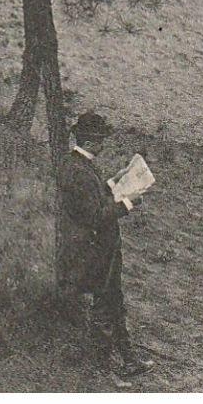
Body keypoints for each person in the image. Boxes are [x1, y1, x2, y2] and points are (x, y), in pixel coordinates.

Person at [58, 111, 153, 378]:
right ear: (89, 143)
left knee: (114, 302)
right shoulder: (80, 172)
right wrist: (128, 202)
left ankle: (129, 359)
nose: (103, 145)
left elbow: (94, 196)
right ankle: (101, 371)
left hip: (100, 249)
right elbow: (95, 215)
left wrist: (115, 180)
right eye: (100, 141)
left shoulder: (76, 164)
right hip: (96, 252)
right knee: (104, 308)